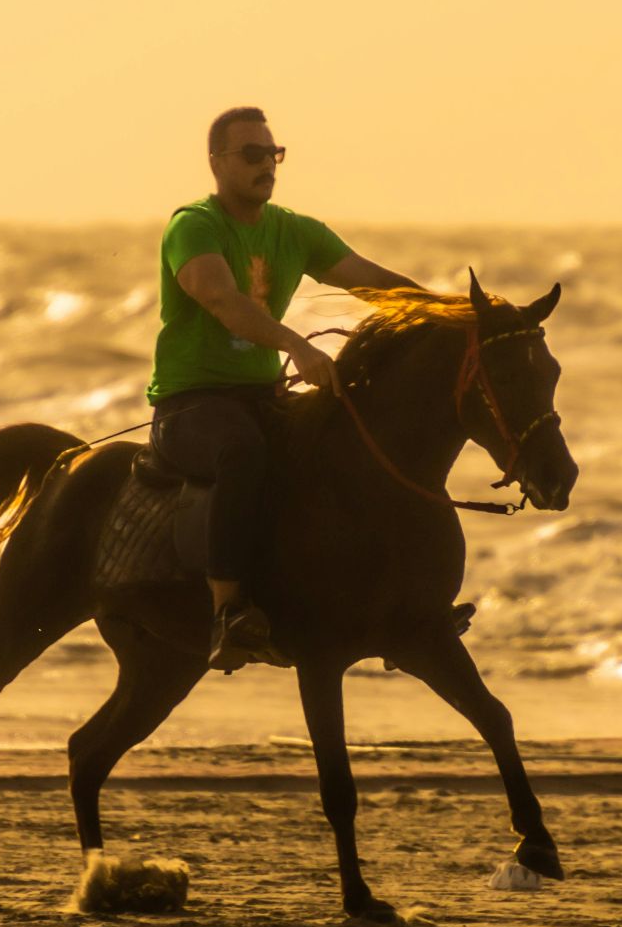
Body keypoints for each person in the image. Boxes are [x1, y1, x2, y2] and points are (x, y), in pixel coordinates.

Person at [147, 106, 426, 672]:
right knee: (241, 451)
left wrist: (453, 314)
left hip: (259, 399)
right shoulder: (194, 226)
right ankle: (227, 612)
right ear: (217, 162)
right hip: (190, 406)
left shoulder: (295, 230)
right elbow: (224, 302)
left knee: (348, 444)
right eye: (251, 154)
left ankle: (399, 604)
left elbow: (373, 281)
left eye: (272, 154)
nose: (266, 165)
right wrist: (298, 346)